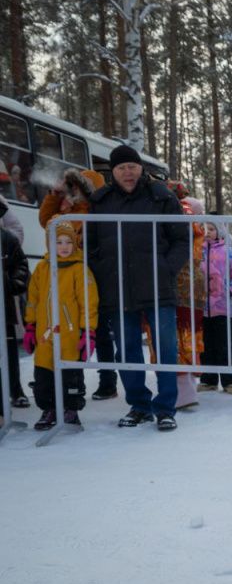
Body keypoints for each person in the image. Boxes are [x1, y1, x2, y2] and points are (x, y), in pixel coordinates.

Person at [87, 145, 190, 431]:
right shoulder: (101, 200)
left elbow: (181, 239)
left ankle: (166, 407)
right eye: (121, 168)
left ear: (140, 168)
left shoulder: (161, 196)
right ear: (113, 172)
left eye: (132, 166)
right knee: (127, 349)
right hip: (117, 288)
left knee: (165, 348)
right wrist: (104, 270)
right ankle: (139, 404)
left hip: (157, 285)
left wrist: (166, 268)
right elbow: (90, 243)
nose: (128, 172)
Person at [38, 169, 118, 401]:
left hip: (93, 276)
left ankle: (107, 380)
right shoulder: (64, 211)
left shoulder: (95, 211)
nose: (74, 192)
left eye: (78, 188)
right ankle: (69, 381)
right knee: (69, 331)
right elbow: (45, 220)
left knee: (99, 330)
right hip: (65, 278)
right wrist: (55, 194)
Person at [22, 221, 98, 429]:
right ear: (49, 244)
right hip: (44, 335)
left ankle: (70, 409)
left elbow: (88, 302)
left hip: (70, 335)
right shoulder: (42, 268)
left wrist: (88, 331)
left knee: (69, 376)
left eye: (68, 242)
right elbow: (33, 299)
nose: (64, 247)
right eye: (58, 242)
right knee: (44, 376)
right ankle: (49, 409)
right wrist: (30, 326)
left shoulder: (79, 269)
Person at [167, 185, 206, 410]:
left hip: (182, 284)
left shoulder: (183, 216)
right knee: (187, 335)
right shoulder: (191, 220)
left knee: (181, 336)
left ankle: (184, 392)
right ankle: (185, 387)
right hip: (189, 284)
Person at [198, 222, 232, 394]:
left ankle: (229, 380)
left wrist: (231, 291)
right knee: (206, 345)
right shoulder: (197, 251)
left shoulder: (227, 251)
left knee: (224, 344)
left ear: (219, 232)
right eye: (203, 229)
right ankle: (208, 379)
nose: (207, 233)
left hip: (222, 307)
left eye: (211, 229)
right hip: (202, 307)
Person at [0, 213, 29, 409]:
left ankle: (15, 390)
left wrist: (11, 283)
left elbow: (22, 266)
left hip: (3, 306)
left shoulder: (7, 238)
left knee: (9, 352)